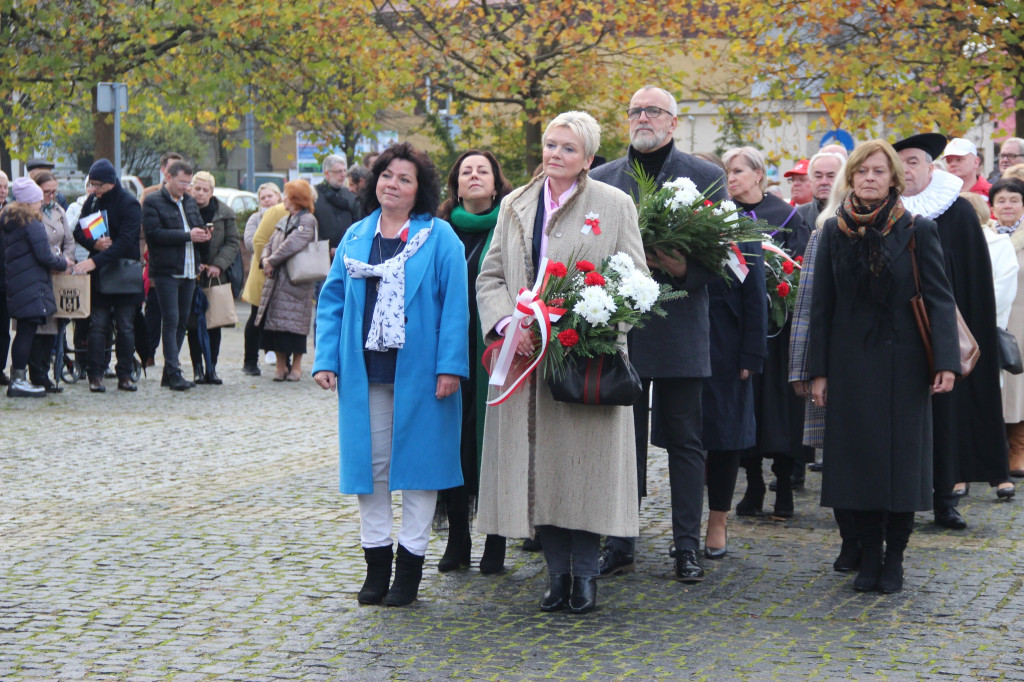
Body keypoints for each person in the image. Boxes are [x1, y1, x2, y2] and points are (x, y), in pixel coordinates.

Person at [477, 110, 646, 614]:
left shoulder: (614, 203)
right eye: (551, 144)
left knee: (585, 471)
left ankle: (587, 576)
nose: (556, 154)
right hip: (527, 359)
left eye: (568, 148)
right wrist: (507, 326)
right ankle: (556, 576)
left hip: (585, 360)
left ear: (588, 159)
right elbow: (491, 276)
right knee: (541, 471)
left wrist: (595, 330)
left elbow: (635, 280)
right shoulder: (514, 204)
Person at [313, 142, 469, 607]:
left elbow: (456, 307)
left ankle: (409, 569)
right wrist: (326, 358)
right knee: (372, 468)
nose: (393, 184)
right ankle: (376, 566)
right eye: (386, 175)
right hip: (366, 371)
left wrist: (450, 367)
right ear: (373, 181)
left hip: (423, 374)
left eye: (405, 179)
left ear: (420, 189)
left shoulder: (439, 237)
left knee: (420, 469)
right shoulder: (356, 236)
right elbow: (333, 301)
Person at [808, 140, 959, 594]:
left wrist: (946, 362)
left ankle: (895, 558)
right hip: (850, 365)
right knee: (858, 465)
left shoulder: (917, 228)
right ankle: (869, 553)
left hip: (905, 366)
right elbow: (822, 307)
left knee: (901, 466)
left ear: (894, 178)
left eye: (878, 171)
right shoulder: (834, 231)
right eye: (862, 171)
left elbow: (939, 299)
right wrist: (819, 371)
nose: (870, 178)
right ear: (851, 178)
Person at [590, 85, 726, 584]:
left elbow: (724, 256)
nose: (642, 117)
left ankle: (686, 546)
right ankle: (619, 542)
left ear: (673, 122)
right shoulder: (602, 178)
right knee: (621, 441)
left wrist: (685, 268)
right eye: (635, 111)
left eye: (653, 111)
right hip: (621, 329)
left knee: (686, 441)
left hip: (681, 325)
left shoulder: (706, 176)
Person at [895, 134, 1014, 519]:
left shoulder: (958, 211)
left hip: (945, 331)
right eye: (901, 162)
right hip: (897, 332)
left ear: (931, 168)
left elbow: (975, 284)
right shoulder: (884, 210)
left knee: (947, 415)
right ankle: (898, 501)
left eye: (914, 161)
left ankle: (945, 498)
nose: (906, 170)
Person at [434, 150, 514, 574]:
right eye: (467, 171)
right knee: (454, 443)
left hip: (496, 350)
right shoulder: (440, 229)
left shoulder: (512, 225)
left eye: (483, 170)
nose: (475, 175)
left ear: (497, 183)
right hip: (450, 350)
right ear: (457, 185)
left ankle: (496, 538)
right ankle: (458, 537)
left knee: (494, 441)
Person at [725, 146, 811, 520]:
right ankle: (754, 485)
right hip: (739, 330)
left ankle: (784, 487)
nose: (730, 178)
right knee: (746, 406)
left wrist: (779, 289)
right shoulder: (722, 216)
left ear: (758, 174)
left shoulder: (787, 216)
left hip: (779, 333)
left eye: (737, 171)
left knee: (780, 409)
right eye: (727, 172)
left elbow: (801, 267)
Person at [701, 239, 767, 559]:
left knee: (725, 436)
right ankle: (685, 526)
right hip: (683, 342)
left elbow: (755, 297)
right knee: (683, 441)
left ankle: (718, 521)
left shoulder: (741, 234)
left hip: (728, 347)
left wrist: (752, 353)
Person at [72, 159, 144, 392]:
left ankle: (124, 374)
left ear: (111, 182)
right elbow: (78, 231)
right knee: (98, 325)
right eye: (92, 184)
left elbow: (125, 242)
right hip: (101, 275)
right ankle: (95, 375)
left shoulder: (129, 203)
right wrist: (94, 244)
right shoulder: (93, 201)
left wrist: (94, 260)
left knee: (125, 326)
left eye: (98, 185)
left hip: (123, 273)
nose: (94, 189)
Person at [142, 160, 210, 391]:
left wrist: (204, 234)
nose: (185, 187)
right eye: (182, 182)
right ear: (168, 177)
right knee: (170, 320)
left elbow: (196, 225)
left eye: (188, 183)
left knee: (182, 321)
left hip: (190, 269)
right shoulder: (153, 201)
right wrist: (188, 235)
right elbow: (154, 234)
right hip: (167, 270)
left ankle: (169, 371)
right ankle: (173, 371)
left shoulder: (189, 201)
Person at [2, 177, 68, 397]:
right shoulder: (31, 223)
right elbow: (44, 255)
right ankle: (18, 381)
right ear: (31, 201)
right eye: (39, 199)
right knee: (26, 333)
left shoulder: (12, 220)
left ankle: (18, 378)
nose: (41, 203)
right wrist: (63, 263)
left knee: (23, 331)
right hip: (31, 285)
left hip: (19, 283)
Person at [255, 180, 318, 381]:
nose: (284, 199)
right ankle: (281, 366)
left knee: (295, 327)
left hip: (295, 282)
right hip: (277, 281)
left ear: (297, 199)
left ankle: (296, 367)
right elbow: (270, 242)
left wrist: (271, 261)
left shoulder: (307, 220)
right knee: (276, 327)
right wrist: (265, 259)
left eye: (287, 195)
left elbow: (293, 244)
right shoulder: (285, 219)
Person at [185, 171, 240, 384]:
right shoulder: (184, 210)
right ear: (191, 189)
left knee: (214, 323)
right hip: (192, 273)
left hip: (216, 275)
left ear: (211, 192)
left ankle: (212, 367)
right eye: (197, 189)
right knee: (193, 324)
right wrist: (195, 262)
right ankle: (197, 368)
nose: (200, 193)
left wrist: (218, 264)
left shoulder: (224, 213)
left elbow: (232, 242)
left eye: (204, 190)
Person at [26, 172, 76, 392]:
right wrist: (54, 263)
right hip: (39, 274)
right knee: (38, 327)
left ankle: (46, 374)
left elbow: (69, 240)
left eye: (54, 192)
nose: (51, 196)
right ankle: (36, 374)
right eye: (47, 192)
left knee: (53, 327)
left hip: (58, 274)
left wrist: (66, 260)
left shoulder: (59, 211)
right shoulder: (31, 212)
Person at [993, 178, 1024, 479]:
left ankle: (1018, 447)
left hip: (1022, 318)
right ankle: (993, 446)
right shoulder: (986, 236)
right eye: (1001, 200)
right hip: (994, 318)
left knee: (1019, 385)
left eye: (1014, 200)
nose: (1007, 206)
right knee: (996, 384)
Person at [241, 183, 283, 376]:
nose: (266, 200)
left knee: (281, 318)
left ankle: (282, 359)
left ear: (278, 196)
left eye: (269, 196)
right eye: (263, 198)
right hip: (261, 271)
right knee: (256, 317)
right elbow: (250, 242)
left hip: (283, 271)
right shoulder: (255, 218)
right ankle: (250, 361)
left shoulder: (287, 215)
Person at [314, 154, 361, 259]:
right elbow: (311, 227)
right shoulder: (314, 195)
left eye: (344, 171)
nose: (343, 175)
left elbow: (358, 223)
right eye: (338, 171)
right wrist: (327, 249)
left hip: (348, 254)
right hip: (322, 256)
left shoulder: (350, 195)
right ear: (327, 173)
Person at [798, 152, 845, 229]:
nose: (824, 182)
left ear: (842, 180)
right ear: (811, 180)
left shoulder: (853, 214)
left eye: (830, 176)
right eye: (818, 176)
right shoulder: (798, 215)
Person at [0, 170, 9, 385]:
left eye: (5, 187)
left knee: (3, 328)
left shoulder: (12, 212)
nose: (2, 191)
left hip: (6, 279)